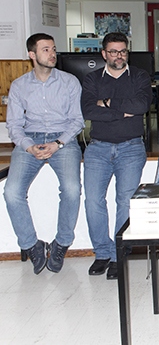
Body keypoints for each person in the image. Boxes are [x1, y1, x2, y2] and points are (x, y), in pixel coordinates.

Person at [4, 33, 84, 275]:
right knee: (11, 192)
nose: (52, 54)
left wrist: (58, 143)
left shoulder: (70, 82)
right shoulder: (19, 86)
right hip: (30, 140)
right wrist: (28, 146)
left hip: (63, 140)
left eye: (53, 49)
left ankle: (62, 243)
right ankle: (31, 245)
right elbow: (14, 125)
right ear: (32, 54)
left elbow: (77, 121)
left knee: (72, 189)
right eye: (46, 49)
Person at [81, 32, 152, 280]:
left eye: (122, 51)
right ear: (104, 54)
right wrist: (122, 111)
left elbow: (141, 106)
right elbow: (88, 110)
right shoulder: (92, 79)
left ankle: (118, 255)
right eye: (113, 52)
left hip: (131, 148)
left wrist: (107, 103)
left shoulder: (140, 77)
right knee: (93, 201)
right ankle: (102, 253)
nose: (118, 56)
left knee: (125, 201)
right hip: (98, 149)